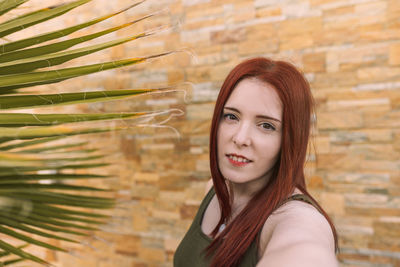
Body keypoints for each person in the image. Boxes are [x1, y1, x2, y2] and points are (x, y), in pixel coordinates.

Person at [173, 57, 338, 267]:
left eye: (266, 126)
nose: (240, 139)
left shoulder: (296, 217)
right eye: (232, 117)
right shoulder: (213, 191)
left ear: (290, 139)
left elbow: (306, 249)